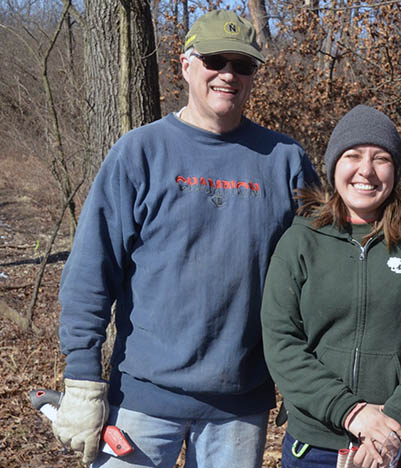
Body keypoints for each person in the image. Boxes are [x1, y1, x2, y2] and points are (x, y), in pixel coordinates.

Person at [53, 10, 318, 468]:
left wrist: (310, 381)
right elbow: (92, 270)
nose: (228, 75)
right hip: (141, 399)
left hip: (239, 404)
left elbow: (322, 278)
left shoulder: (285, 160)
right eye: (216, 60)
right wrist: (81, 379)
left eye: (244, 65)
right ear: (186, 65)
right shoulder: (140, 152)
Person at [261, 105, 401, 468]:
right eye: (353, 156)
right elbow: (281, 342)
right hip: (317, 445)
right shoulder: (300, 241)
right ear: (334, 166)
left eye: (381, 158)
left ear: (397, 170)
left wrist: (394, 422)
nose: (366, 170)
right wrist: (351, 413)